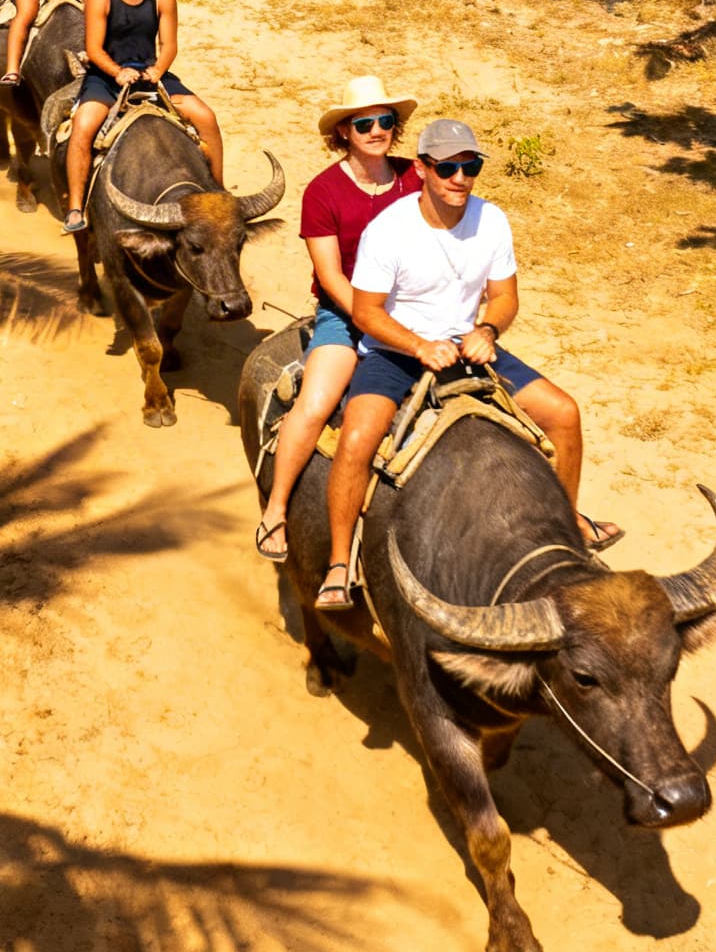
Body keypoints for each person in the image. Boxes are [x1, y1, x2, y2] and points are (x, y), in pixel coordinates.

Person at [315, 117, 617, 610]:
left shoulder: (491, 220)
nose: (460, 178)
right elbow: (367, 313)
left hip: (466, 345)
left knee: (564, 414)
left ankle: (569, 525)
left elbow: (504, 297)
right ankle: (338, 559)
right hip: (396, 353)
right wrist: (418, 347)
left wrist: (488, 330)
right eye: (447, 168)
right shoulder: (387, 230)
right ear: (422, 169)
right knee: (356, 439)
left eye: (470, 166)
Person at [253, 76, 421, 561]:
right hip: (345, 314)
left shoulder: (414, 178)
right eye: (363, 123)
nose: (376, 130)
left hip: (414, 312)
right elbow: (329, 275)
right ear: (343, 132)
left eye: (385, 121)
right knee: (316, 403)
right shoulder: (323, 192)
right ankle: (276, 508)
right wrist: (372, 319)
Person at [61, 0, 223, 236]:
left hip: (151, 73)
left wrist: (159, 70)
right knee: (82, 126)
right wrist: (116, 72)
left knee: (206, 117)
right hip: (107, 76)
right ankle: (76, 206)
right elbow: (94, 49)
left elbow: (170, 45)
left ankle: (217, 193)